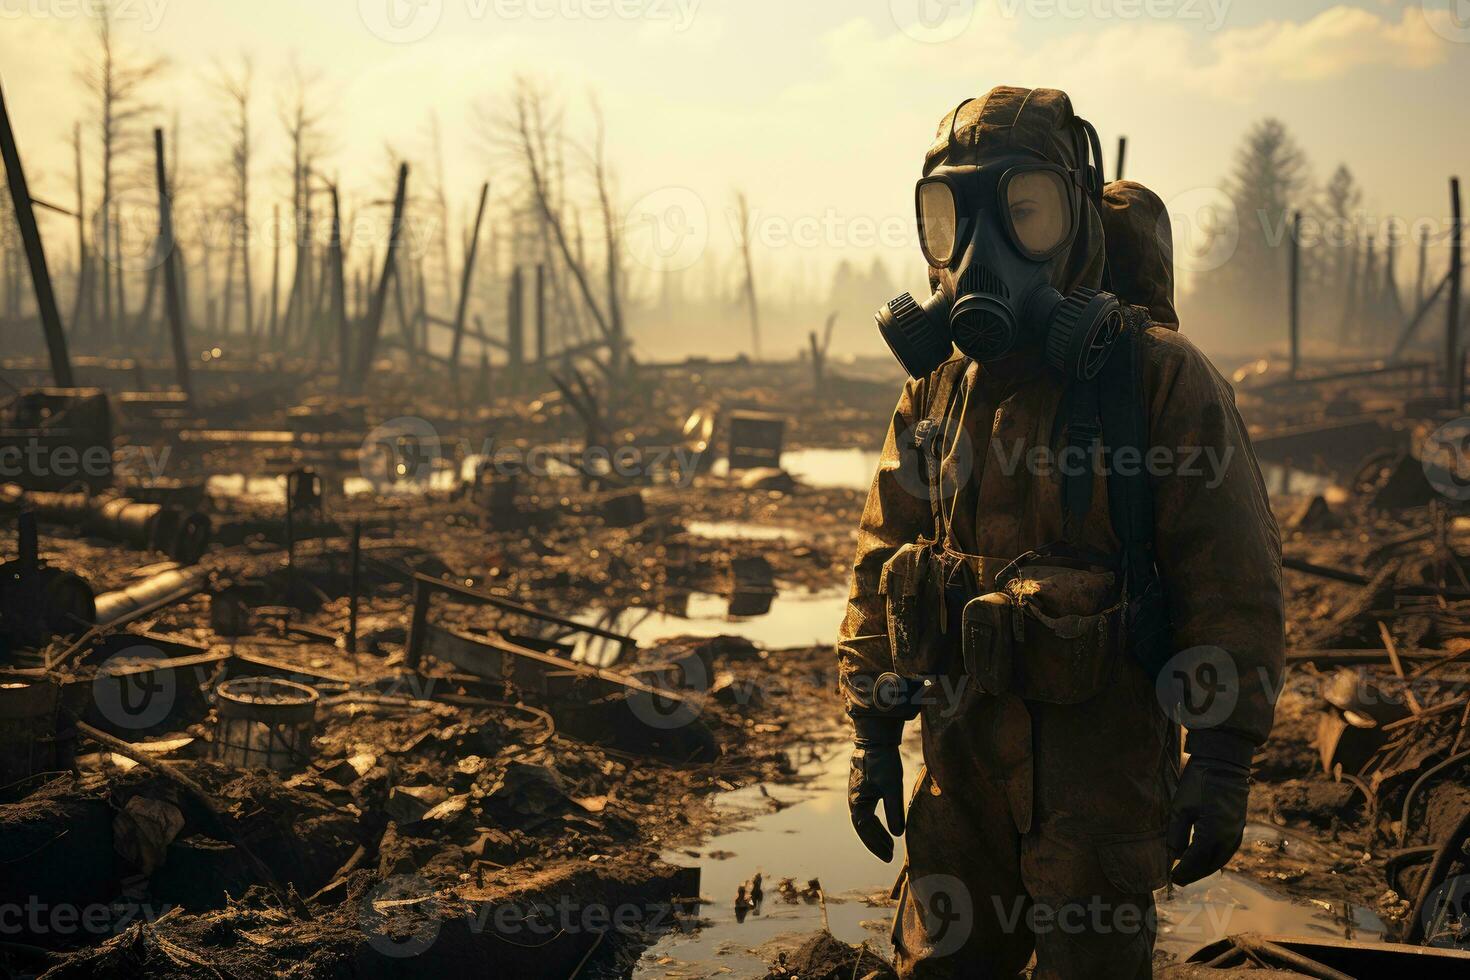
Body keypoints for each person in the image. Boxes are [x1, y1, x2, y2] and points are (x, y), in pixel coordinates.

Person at [839, 86, 1284, 978]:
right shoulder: (937, 391)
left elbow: (1229, 579)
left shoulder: (1155, 381)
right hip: (956, 778)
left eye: (1022, 214)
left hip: (1101, 791)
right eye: (951, 219)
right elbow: (883, 556)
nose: (979, 254)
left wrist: (1223, 758)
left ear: (1074, 225)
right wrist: (872, 732)